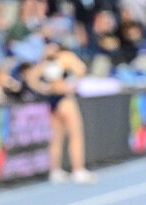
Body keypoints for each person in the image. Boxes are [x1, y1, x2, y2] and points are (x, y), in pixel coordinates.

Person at [26, 42, 97, 184]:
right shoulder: (64, 58)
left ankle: (55, 170)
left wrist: (44, 89)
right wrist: (71, 84)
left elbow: (31, 77)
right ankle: (78, 169)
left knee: (56, 138)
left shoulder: (44, 63)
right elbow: (81, 69)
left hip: (52, 99)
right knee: (75, 134)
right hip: (64, 99)